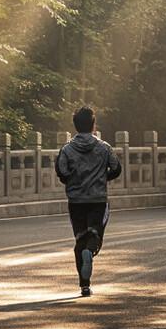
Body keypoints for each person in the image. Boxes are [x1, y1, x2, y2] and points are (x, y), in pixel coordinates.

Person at [54, 106, 122, 296]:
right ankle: (90, 250)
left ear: (75, 125)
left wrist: (74, 181)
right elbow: (116, 168)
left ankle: (84, 284)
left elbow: (61, 171)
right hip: (98, 199)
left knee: (79, 239)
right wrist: (101, 178)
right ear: (93, 125)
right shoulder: (104, 147)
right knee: (95, 234)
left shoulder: (66, 149)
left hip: (76, 201)